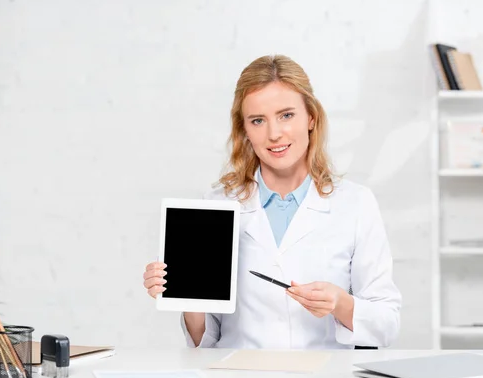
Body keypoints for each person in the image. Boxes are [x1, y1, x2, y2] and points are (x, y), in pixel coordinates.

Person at [143, 54, 401, 349]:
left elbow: (387, 325)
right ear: (245, 130)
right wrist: (182, 292)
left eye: (286, 115)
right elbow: (203, 340)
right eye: (257, 121)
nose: (274, 133)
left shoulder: (356, 203)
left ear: (311, 118)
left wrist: (341, 303)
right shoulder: (216, 206)